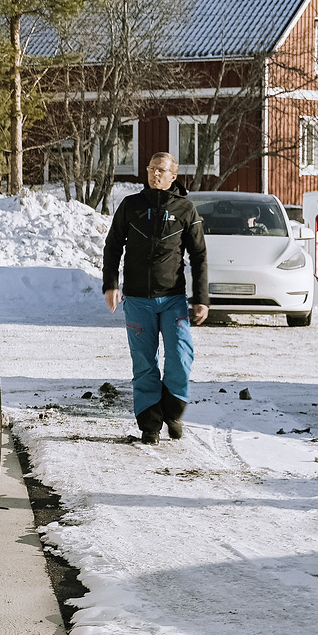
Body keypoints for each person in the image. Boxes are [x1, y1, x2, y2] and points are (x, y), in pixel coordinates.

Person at [102, 152, 209, 444]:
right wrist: (110, 284)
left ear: (173, 175)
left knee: (180, 356)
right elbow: (112, 246)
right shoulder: (131, 206)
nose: (154, 174)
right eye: (151, 169)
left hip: (173, 298)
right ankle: (150, 424)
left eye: (161, 170)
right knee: (144, 363)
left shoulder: (186, 210)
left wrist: (201, 298)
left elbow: (199, 256)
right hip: (137, 300)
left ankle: (172, 410)